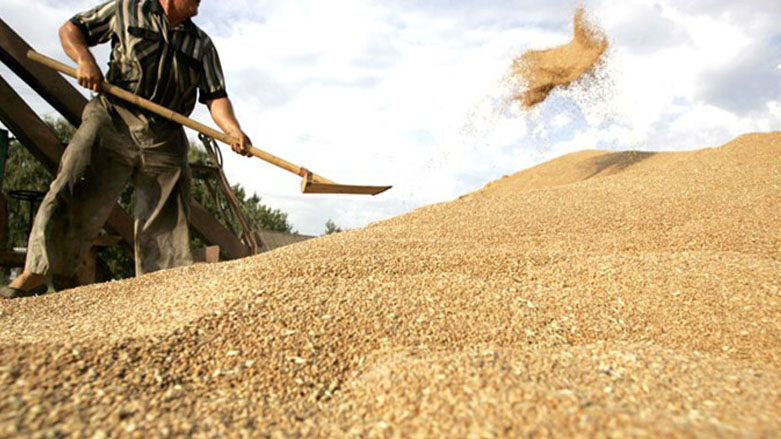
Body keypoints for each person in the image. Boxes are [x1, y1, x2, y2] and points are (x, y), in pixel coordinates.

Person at [1, 0, 251, 299]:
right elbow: (72, 29)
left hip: (165, 133)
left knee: (168, 214)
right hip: (113, 117)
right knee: (75, 185)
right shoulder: (126, 9)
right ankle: (36, 273)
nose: (200, 3)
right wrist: (84, 60)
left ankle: (160, 290)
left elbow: (215, 96)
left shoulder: (201, 44)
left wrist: (232, 129)